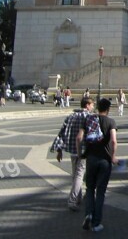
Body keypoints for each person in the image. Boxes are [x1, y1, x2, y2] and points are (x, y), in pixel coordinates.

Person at [78, 98, 119, 232]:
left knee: (90, 189)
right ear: (108, 109)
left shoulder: (89, 119)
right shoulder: (111, 122)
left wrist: (80, 154)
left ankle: (88, 214)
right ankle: (96, 223)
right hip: (105, 160)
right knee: (100, 192)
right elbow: (113, 141)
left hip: (91, 158)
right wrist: (113, 156)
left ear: (98, 107)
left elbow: (79, 138)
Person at [51, 97, 94, 211]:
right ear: (87, 105)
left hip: (72, 150)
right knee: (79, 176)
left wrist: (59, 150)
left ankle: (78, 198)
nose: (93, 107)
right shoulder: (89, 117)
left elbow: (62, 133)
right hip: (84, 151)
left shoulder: (71, 116)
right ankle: (72, 200)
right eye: (92, 104)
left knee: (76, 176)